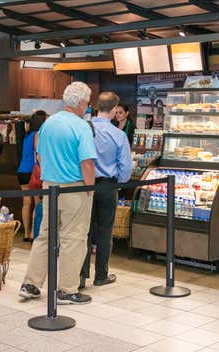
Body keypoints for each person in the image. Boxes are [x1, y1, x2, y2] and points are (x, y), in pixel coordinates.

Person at [19, 82, 97, 305]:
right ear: (81, 103)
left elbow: (40, 157)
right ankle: (66, 290)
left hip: (49, 188)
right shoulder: (81, 126)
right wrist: (89, 189)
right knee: (74, 239)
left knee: (45, 236)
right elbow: (88, 164)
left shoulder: (48, 124)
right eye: (87, 102)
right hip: (75, 188)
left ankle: (31, 284)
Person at [80, 92, 132, 289]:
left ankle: (81, 276)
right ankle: (101, 274)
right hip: (108, 186)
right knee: (105, 232)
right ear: (113, 110)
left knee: (83, 231)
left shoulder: (84, 129)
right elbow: (125, 169)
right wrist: (116, 179)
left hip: (85, 185)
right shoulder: (118, 135)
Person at [16, 110, 47, 242]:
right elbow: (38, 152)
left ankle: (26, 234)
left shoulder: (27, 135)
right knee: (37, 203)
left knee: (26, 203)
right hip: (33, 172)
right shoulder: (38, 134)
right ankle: (35, 234)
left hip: (22, 171)